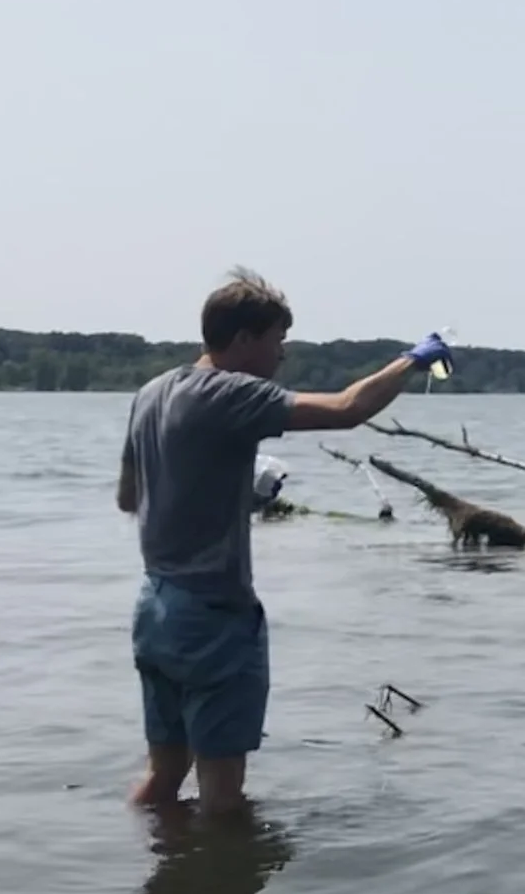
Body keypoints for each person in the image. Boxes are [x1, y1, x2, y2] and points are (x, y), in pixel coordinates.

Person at [116, 269, 451, 817]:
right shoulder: (228, 391)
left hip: (155, 609)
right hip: (213, 616)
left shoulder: (152, 393)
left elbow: (131, 499)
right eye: (277, 341)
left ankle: (152, 881)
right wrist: (412, 360)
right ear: (244, 339)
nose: (282, 357)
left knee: (163, 776)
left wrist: (229, 494)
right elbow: (348, 410)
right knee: (222, 798)